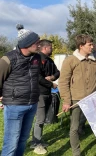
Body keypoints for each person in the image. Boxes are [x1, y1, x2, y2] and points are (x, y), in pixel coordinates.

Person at [0, 24, 41, 156]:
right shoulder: (8, 59)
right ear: (27, 44)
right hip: (14, 107)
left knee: (22, 141)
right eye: (37, 42)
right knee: (11, 143)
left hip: (32, 105)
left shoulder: (37, 58)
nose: (39, 45)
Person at [59, 34, 96, 156]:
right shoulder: (70, 61)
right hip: (76, 99)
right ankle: (76, 152)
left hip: (93, 99)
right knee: (75, 128)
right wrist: (67, 101)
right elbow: (63, 82)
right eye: (90, 44)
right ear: (81, 46)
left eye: (92, 44)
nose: (92, 46)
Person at [31, 39, 60, 154]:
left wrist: (52, 77)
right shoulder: (36, 59)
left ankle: (38, 139)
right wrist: (51, 84)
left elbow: (58, 72)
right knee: (40, 119)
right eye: (51, 47)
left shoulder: (50, 61)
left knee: (42, 119)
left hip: (47, 93)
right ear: (45, 48)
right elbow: (37, 77)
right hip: (39, 93)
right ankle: (36, 144)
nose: (52, 49)